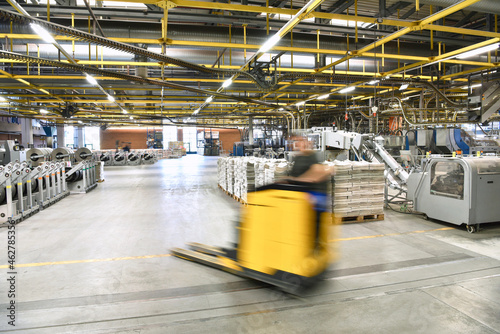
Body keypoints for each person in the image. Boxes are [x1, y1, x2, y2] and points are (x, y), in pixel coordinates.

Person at [287, 134, 335, 248]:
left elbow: (318, 172)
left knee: (313, 225)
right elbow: (293, 175)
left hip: (316, 195)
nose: (296, 144)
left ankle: (316, 247)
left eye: (297, 141)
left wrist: (300, 181)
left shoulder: (312, 156)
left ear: (304, 141)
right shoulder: (298, 157)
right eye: (294, 141)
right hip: (304, 194)